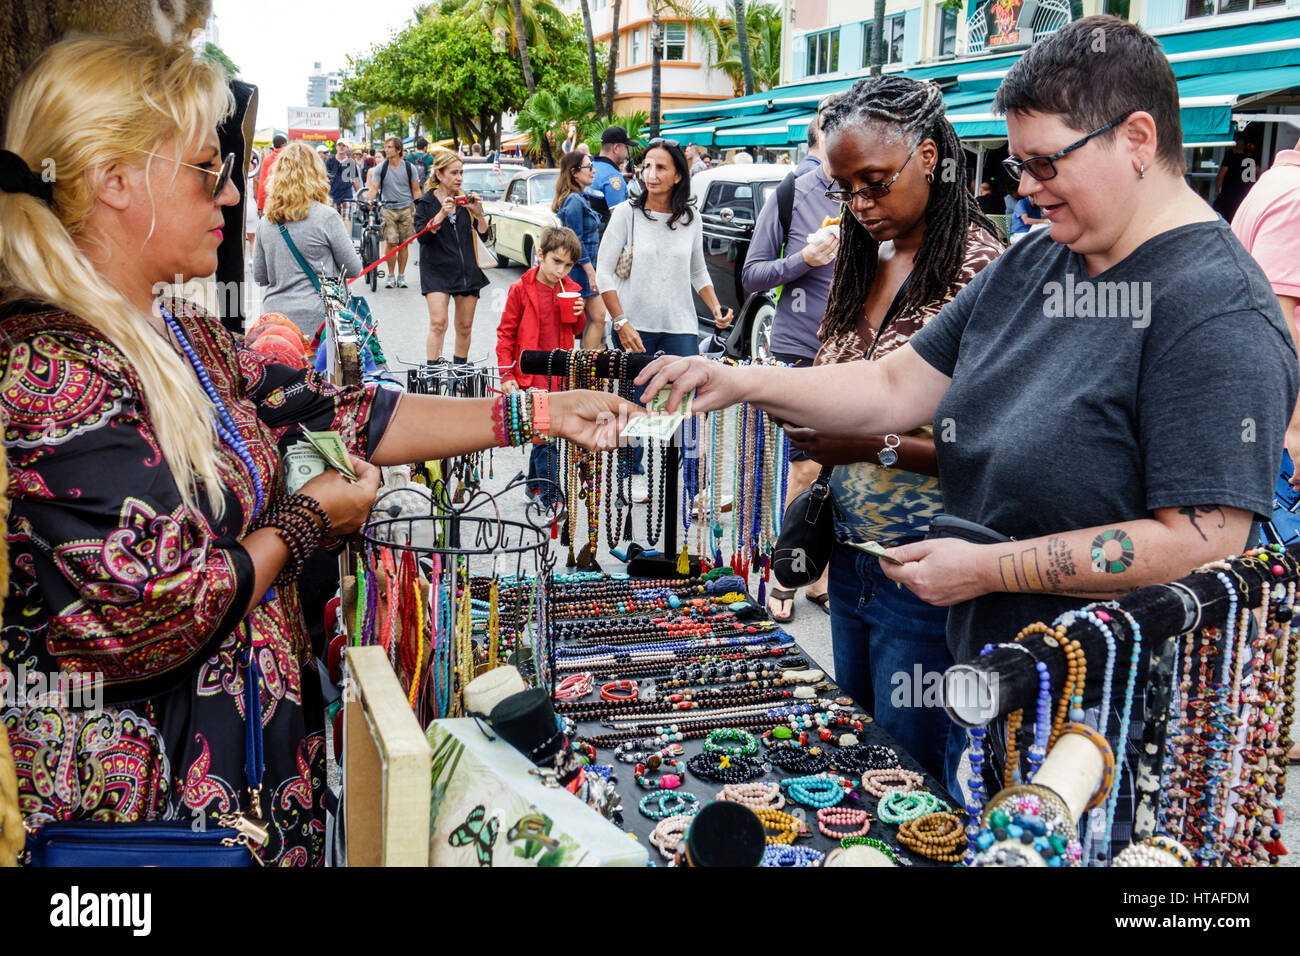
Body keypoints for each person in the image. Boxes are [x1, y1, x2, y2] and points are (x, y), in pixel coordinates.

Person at [636, 17, 1298, 847]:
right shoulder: (1037, 263)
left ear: (1137, 139)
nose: (1024, 186)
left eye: (1045, 162)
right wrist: (737, 377)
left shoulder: (1215, 310)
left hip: (1100, 733)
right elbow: (890, 385)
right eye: (1018, 164)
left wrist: (983, 567)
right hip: (987, 688)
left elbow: (1202, 543)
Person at [0, 35, 630, 865]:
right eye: (205, 168)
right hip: (135, 831)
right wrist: (306, 521)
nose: (231, 192)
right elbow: (151, 611)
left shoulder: (183, 332)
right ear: (116, 180)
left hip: (243, 783)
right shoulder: (47, 364)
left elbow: (339, 411)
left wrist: (539, 413)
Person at [741, 94, 844, 622]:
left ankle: (819, 577)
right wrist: (802, 259)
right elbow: (752, 274)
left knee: (839, 473)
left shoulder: (871, 192)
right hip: (802, 348)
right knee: (804, 473)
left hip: (856, 356)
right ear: (823, 131)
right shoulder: (793, 192)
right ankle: (785, 576)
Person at [597, 138, 734, 502]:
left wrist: (717, 309)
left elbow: (698, 270)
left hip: (681, 327)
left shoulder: (691, 218)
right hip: (634, 327)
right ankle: (631, 477)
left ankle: (695, 486)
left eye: (661, 168)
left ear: (677, 176)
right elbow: (604, 273)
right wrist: (621, 322)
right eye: (647, 167)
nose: (651, 174)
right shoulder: (626, 214)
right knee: (635, 404)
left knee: (686, 408)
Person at [1231, 127, 1300, 763]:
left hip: (1261, 423)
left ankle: (1260, 713)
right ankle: (1266, 720)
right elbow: (1286, 318)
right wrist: (1295, 429)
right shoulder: (1297, 196)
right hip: (1281, 433)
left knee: (1265, 580)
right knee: (1279, 577)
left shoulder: (1273, 184)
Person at [496, 226, 587, 504]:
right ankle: (551, 497)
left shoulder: (571, 289)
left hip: (560, 374)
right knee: (546, 435)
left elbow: (577, 330)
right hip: (532, 375)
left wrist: (580, 314)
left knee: (545, 433)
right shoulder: (521, 289)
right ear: (540, 255)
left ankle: (533, 486)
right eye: (556, 262)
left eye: (568, 265)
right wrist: (506, 372)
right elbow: (506, 332)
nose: (562, 271)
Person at [252, 141, 363, 336]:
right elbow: (353, 268)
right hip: (320, 321)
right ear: (316, 174)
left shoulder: (266, 222)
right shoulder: (326, 217)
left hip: (276, 320)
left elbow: (260, 276)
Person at [412, 148, 491, 363]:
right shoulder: (426, 203)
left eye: (461, 173)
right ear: (439, 174)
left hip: (466, 271)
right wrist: (442, 213)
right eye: (454, 173)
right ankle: (432, 371)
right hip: (436, 270)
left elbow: (484, 238)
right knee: (438, 323)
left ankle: (460, 372)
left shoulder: (465, 202)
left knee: (464, 326)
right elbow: (422, 237)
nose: (459, 178)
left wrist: (480, 214)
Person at [553, 150, 608, 350]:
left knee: (598, 317)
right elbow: (576, 240)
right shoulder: (574, 200)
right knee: (570, 325)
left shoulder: (580, 197)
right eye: (589, 167)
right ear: (574, 172)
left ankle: (584, 366)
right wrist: (591, 272)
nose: (593, 171)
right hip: (579, 271)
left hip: (585, 269)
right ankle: (574, 369)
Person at [364, 136, 422, 288]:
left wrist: (421, 208)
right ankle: (390, 275)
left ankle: (401, 276)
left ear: (398, 150)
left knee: (404, 244)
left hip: (407, 209)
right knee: (391, 243)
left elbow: (416, 190)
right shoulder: (380, 168)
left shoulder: (410, 168)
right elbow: (374, 187)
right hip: (388, 209)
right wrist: (370, 200)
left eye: (389, 147)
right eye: (386, 147)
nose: (386, 150)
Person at [586, 125, 633, 229]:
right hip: (602, 238)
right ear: (616, 148)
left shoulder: (590, 166)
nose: (628, 152)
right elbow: (619, 220)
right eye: (626, 147)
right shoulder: (613, 177)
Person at [1214, 132, 1256, 222]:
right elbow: (1257, 170)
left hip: (1230, 193)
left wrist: (1217, 190)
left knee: (1221, 217)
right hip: (1246, 194)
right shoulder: (1251, 157)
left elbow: (1221, 175)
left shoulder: (1231, 155)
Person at [256, 132, 287, 217]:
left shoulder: (267, 160)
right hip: (288, 201)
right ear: (285, 144)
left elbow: (262, 184)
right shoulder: (290, 159)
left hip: (271, 202)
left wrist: (260, 206)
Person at [325, 141, 356, 217]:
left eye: (344, 145)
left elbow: (354, 180)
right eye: (339, 145)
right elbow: (324, 179)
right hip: (332, 196)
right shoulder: (330, 161)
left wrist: (360, 195)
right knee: (333, 222)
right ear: (336, 147)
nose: (341, 147)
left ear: (347, 148)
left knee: (346, 219)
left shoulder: (351, 162)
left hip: (346, 196)